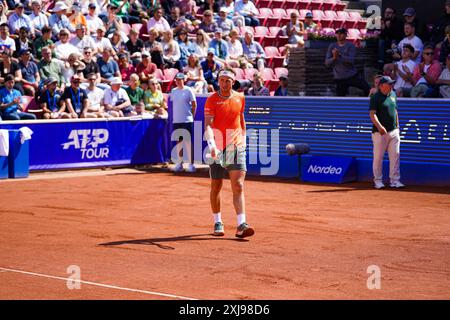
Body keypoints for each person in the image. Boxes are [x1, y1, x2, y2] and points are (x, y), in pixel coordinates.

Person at [204, 68, 254, 238]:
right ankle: (217, 221)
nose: (224, 83)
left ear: (233, 82)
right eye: (222, 80)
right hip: (217, 147)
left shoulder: (240, 97)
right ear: (218, 81)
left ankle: (241, 224)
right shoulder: (211, 100)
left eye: (228, 80)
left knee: (238, 185)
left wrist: (244, 141)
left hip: (236, 146)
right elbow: (209, 125)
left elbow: (241, 119)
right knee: (216, 185)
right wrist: (212, 145)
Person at [369, 76, 404, 189]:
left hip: (394, 131)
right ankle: (378, 181)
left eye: (391, 84)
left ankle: (395, 181)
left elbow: (395, 111)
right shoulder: (375, 97)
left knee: (395, 156)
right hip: (380, 133)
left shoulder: (393, 94)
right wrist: (380, 127)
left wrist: (397, 126)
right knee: (378, 157)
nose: (391, 86)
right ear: (381, 86)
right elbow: (372, 114)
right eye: (388, 84)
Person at [325, 28, 370, 97]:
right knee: (340, 99)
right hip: (339, 78)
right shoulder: (332, 46)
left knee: (367, 88)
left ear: (346, 35)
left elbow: (351, 61)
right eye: (337, 33)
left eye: (341, 33)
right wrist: (334, 58)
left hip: (352, 76)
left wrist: (339, 55)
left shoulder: (350, 45)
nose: (339, 35)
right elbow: (327, 63)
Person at [170, 72, 197, 172]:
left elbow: (194, 105)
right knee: (179, 143)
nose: (178, 81)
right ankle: (180, 163)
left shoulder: (189, 90)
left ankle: (191, 164)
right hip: (177, 121)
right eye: (176, 80)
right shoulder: (173, 91)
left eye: (180, 79)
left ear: (183, 80)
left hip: (187, 120)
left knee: (188, 142)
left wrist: (191, 117)